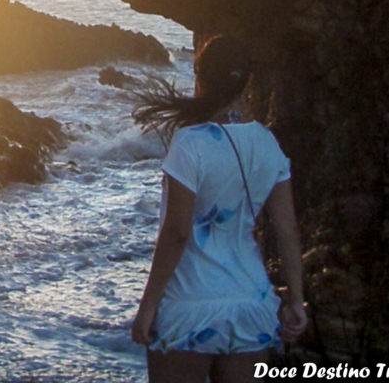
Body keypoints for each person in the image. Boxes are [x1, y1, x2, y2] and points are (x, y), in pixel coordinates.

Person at [130, 35, 308, 382]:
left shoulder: (189, 143)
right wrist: (297, 301)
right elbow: (288, 229)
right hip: (250, 305)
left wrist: (148, 306)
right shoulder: (266, 141)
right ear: (246, 82)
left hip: (188, 307)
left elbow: (177, 233)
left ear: (200, 78)